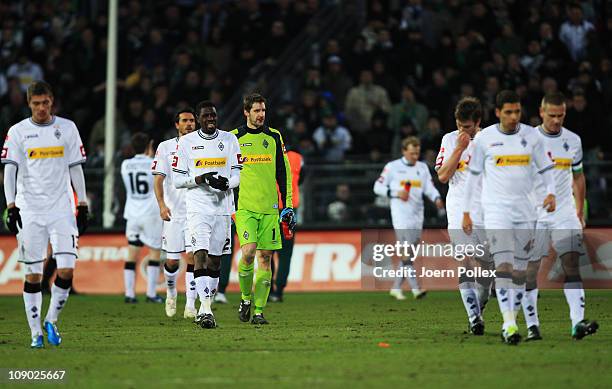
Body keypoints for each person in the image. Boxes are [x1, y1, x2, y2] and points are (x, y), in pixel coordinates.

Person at [462, 90, 556, 345]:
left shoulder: (532, 137)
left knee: (520, 273)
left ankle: (512, 320)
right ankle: (509, 325)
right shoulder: (485, 139)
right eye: (508, 112)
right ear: (497, 113)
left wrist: (550, 193)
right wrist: (467, 211)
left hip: (525, 212)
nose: (514, 117)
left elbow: (547, 168)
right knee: (503, 266)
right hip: (496, 212)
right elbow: (472, 176)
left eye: (517, 111)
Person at [2, 81, 89, 348]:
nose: (41, 108)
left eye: (45, 103)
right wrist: (11, 205)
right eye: (36, 103)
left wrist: (82, 203)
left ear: (52, 101)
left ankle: (51, 320)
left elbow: (76, 168)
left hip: (62, 208)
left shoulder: (68, 128)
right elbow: (10, 170)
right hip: (30, 211)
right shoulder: (18, 132)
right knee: (32, 276)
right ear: (29, 103)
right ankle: (35, 333)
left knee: (66, 269)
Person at [521, 92, 598, 340]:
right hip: (535, 215)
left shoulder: (573, 140)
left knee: (572, 264)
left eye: (561, 115)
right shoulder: (527, 139)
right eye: (552, 115)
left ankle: (578, 323)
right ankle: (532, 326)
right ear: (542, 113)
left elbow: (578, 176)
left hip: (565, 213)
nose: (556, 120)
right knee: (530, 271)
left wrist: (579, 210)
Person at [172, 100, 241, 329]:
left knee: (215, 260)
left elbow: (237, 176)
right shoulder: (186, 142)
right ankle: (205, 309)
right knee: (199, 253)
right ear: (199, 119)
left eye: (213, 115)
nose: (210, 119)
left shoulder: (230, 140)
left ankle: (206, 305)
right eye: (205, 116)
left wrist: (225, 183)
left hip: (222, 208)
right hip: (198, 207)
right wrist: (200, 179)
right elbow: (177, 180)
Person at [230, 93, 295, 325]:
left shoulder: (274, 137)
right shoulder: (233, 138)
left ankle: (258, 311)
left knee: (265, 257)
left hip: (270, 209)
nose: (261, 115)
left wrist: (287, 206)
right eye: (256, 111)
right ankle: (246, 298)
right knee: (248, 253)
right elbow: (226, 174)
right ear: (246, 112)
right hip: (245, 208)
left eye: (263, 111)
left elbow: (283, 173)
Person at [436, 97, 493, 335]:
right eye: (460, 126)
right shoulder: (449, 140)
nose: (463, 131)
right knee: (466, 261)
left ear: (478, 122)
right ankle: (474, 318)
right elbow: (442, 176)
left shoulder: (491, 139)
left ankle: (477, 308)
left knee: (488, 267)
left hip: (488, 211)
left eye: (467, 127)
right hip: (459, 210)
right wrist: (459, 147)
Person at [373, 136, 444, 300]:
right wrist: (395, 193)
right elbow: (377, 187)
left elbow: (429, 187)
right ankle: (416, 288)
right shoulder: (393, 167)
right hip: (401, 215)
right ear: (404, 151)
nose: (415, 156)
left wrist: (436, 198)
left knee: (408, 255)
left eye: (417, 153)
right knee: (405, 252)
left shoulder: (422, 167)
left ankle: (396, 288)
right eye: (412, 153)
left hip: (417, 215)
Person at [152, 108, 197, 318]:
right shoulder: (166, 147)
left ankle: (190, 304)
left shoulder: (202, 146)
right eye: (185, 121)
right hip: (173, 212)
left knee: (193, 257)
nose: (189, 124)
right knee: (171, 261)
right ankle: (171, 293)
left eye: (192, 121)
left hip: (196, 211)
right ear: (177, 125)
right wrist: (161, 205)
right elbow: (158, 179)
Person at [120, 132, 163, 304]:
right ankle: (151, 294)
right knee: (154, 253)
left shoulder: (125, 165)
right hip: (150, 214)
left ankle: (129, 294)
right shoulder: (154, 163)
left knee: (132, 252)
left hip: (132, 214)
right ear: (149, 146)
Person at [270, 147, 304, 302]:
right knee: (286, 252)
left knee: (267, 250)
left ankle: (268, 289)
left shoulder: (268, 154)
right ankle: (279, 290)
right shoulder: (297, 158)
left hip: (270, 208)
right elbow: (303, 177)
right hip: (290, 208)